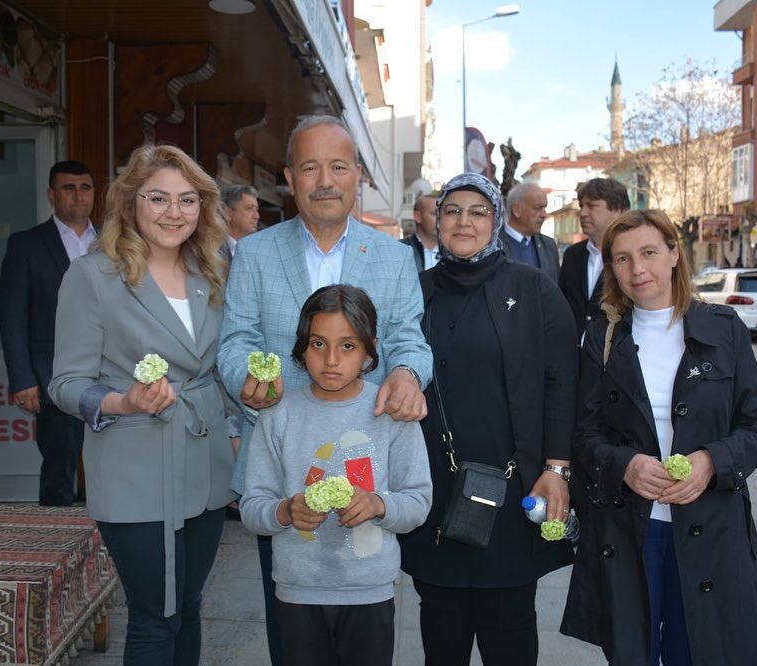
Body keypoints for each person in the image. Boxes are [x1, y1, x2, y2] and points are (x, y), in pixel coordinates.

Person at [217, 114, 432, 666]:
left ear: (358, 174)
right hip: (282, 469)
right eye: (310, 167)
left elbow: (409, 339)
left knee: (366, 633)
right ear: (289, 177)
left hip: (369, 465)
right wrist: (247, 379)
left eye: (339, 166)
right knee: (293, 637)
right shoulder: (256, 253)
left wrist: (407, 374)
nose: (325, 180)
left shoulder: (391, 257)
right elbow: (235, 339)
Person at [560, 209, 757, 665]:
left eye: (649, 253)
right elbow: (583, 434)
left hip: (713, 527)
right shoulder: (600, 336)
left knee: (702, 651)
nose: (637, 269)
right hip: (630, 530)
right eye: (621, 259)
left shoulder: (724, 328)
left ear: (675, 254)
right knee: (633, 654)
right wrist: (625, 466)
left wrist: (712, 461)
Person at [49, 144, 237, 665]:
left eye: (187, 200)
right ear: (131, 202)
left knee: (190, 607)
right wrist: (125, 401)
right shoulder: (93, 277)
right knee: (156, 617)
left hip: (206, 468)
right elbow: (65, 384)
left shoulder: (212, 270)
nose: (174, 212)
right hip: (136, 473)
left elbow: (221, 367)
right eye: (159, 198)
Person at [399, 172, 577, 666]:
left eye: (478, 211)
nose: (464, 221)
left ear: (495, 220)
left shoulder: (533, 287)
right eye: (452, 210)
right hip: (433, 487)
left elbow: (563, 382)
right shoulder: (415, 292)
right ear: (437, 220)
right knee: (441, 624)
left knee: (510, 626)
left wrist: (557, 469)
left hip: (512, 485)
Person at [240, 284, 432, 666]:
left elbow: (418, 502)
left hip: (369, 591)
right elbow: (252, 508)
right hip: (298, 591)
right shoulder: (278, 415)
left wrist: (377, 504)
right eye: (317, 344)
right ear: (301, 347)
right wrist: (285, 511)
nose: (330, 360)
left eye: (347, 346)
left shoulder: (390, 413)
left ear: (369, 349)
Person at [0, 159, 95, 506]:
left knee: (113, 464)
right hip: (52, 372)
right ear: (51, 195)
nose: (78, 196)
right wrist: (22, 379)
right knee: (60, 464)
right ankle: (55, 539)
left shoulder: (114, 244)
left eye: (85, 187)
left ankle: (108, 543)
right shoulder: (27, 245)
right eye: (69, 188)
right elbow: (11, 316)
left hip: (113, 370)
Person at [558, 177, 630, 343]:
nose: (582, 213)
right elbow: (563, 307)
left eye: (591, 206)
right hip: (573, 356)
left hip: (614, 356)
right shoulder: (572, 255)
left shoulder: (632, 255)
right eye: (581, 206)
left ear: (617, 209)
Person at [499, 182, 559, 279]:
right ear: (517, 210)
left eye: (544, 208)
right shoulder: (491, 244)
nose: (544, 215)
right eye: (538, 208)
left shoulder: (549, 245)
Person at [402, 192, 439, 272]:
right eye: (435, 214)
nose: (440, 220)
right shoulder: (400, 250)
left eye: (442, 214)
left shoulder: (452, 252)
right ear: (418, 217)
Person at [221, 184, 261, 256]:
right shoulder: (211, 250)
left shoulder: (258, 251)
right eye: (249, 208)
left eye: (256, 210)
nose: (257, 216)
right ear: (228, 213)